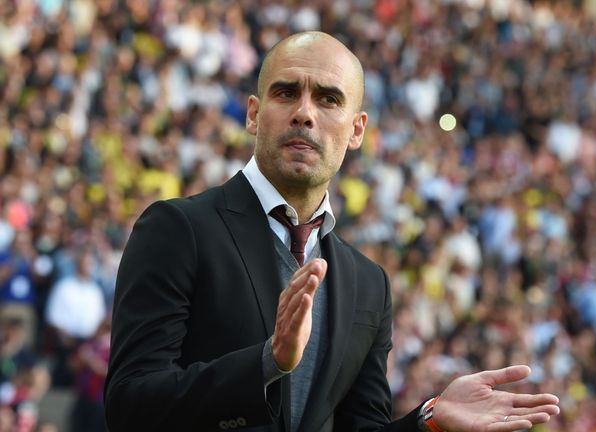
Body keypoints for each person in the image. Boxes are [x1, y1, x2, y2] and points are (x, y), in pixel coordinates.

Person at [104, 31, 560, 432]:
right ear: (253, 115)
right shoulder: (178, 229)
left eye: (328, 98)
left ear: (357, 129)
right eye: (286, 93)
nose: (304, 113)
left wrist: (430, 419)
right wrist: (267, 363)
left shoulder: (367, 284)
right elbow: (129, 406)